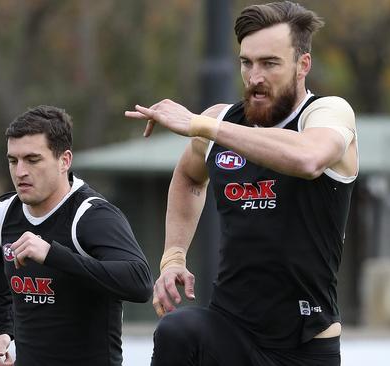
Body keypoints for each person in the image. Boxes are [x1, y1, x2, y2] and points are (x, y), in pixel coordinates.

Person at [125, 2, 357, 365]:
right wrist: (172, 257)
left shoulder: (326, 113)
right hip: (231, 329)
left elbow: (308, 159)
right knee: (177, 330)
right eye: (246, 63)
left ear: (303, 65)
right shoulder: (222, 121)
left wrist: (204, 126)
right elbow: (188, 177)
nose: (255, 77)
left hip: (304, 345)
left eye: (269, 63)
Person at [0, 105, 153, 366]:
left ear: (64, 161)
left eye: (32, 159)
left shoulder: (91, 215)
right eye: (12, 160)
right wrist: (0, 329)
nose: (20, 172)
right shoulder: (4, 212)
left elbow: (140, 283)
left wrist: (53, 254)